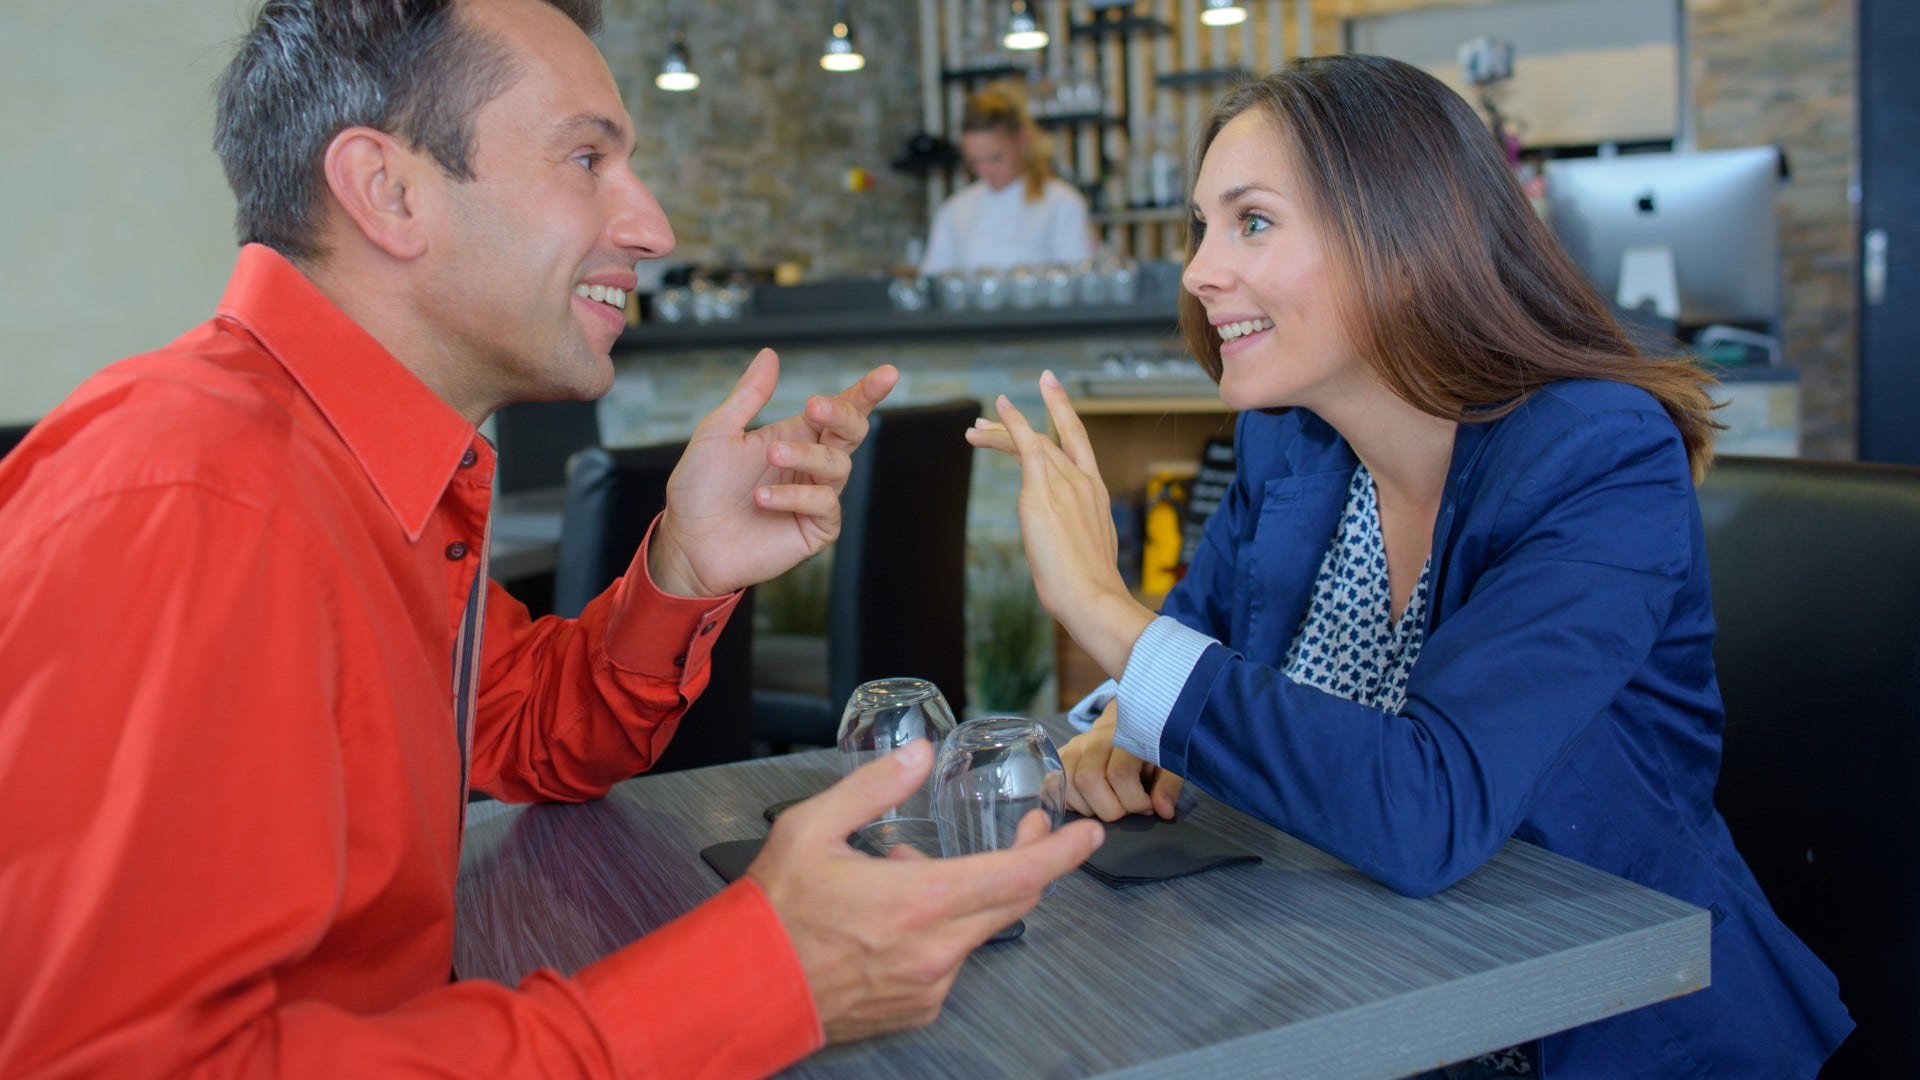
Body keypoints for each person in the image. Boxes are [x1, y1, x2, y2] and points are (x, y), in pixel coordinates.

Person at [0, 1, 1103, 1075]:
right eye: (586, 159)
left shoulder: (363, 473)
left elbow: (530, 734)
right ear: (388, 191)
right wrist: (765, 979)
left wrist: (681, 567)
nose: (653, 228)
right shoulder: (189, 496)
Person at [970, 56, 1851, 1075]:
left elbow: (1427, 808)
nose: (1200, 271)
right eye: (1201, 228)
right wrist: (1126, 729)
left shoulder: (1600, 455)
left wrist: (1100, 605)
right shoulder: (1288, 443)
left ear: (1399, 238)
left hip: (1580, 1027)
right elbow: (1189, 672)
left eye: (1251, 222)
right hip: (1348, 989)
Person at [917, 83, 1092, 276]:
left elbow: (1079, 280)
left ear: (1022, 141)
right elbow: (934, 279)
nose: (984, 171)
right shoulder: (954, 210)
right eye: (975, 162)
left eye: (995, 158)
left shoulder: (1062, 204)